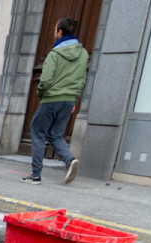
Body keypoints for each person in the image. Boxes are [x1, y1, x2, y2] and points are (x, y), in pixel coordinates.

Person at [22, 18, 89, 185]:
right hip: (68, 100)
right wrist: (73, 100)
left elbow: (45, 80)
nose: (54, 32)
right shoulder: (83, 54)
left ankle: (35, 175)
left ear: (60, 32)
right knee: (55, 134)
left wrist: (41, 93)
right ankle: (69, 160)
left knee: (37, 131)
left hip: (52, 98)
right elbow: (82, 79)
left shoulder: (54, 54)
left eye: (54, 29)